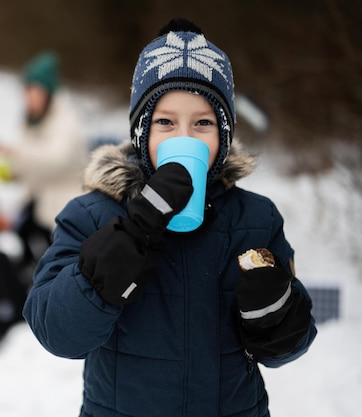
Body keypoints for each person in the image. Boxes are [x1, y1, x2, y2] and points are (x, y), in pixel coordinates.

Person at [23, 18, 317, 417]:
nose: (185, 139)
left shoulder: (255, 219)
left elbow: (288, 348)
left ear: (224, 136)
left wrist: (275, 314)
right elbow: (57, 332)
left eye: (203, 123)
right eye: (165, 122)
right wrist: (132, 234)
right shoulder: (93, 214)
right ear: (142, 134)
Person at [0, 51, 89, 277]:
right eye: (25, 90)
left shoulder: (67, 121)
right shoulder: (31, 120)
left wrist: (11, 151)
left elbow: (56, 159)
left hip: (64, 204)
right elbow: (26, 161)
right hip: (36, 201)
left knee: (53, 256)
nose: (27, 96)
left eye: (32, 90)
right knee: (20, 234)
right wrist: (12, 170)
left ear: (47, 91)